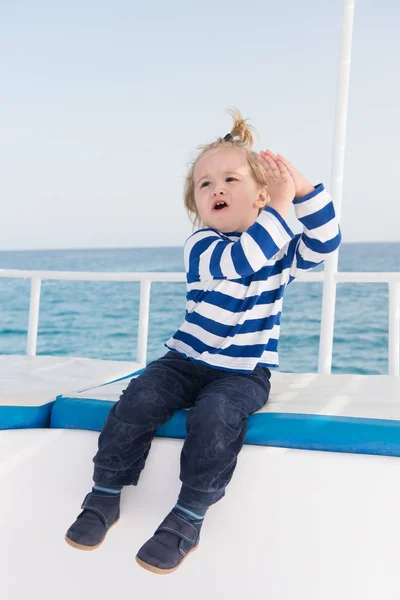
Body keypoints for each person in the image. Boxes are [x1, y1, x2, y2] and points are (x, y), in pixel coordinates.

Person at [65, 109, 341, 574]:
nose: (216, 189)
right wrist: (277, 206)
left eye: (230, 179)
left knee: (217, 417)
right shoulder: (203, 246)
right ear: (196, 204)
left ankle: (189, 516)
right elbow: (243, 259)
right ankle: (105, 493)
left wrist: (302, 189)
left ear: (258, 197)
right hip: (185, 361)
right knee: (139, 399)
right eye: (204, 184)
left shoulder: (278, 249)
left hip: (244, 373)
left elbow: (325, 243)